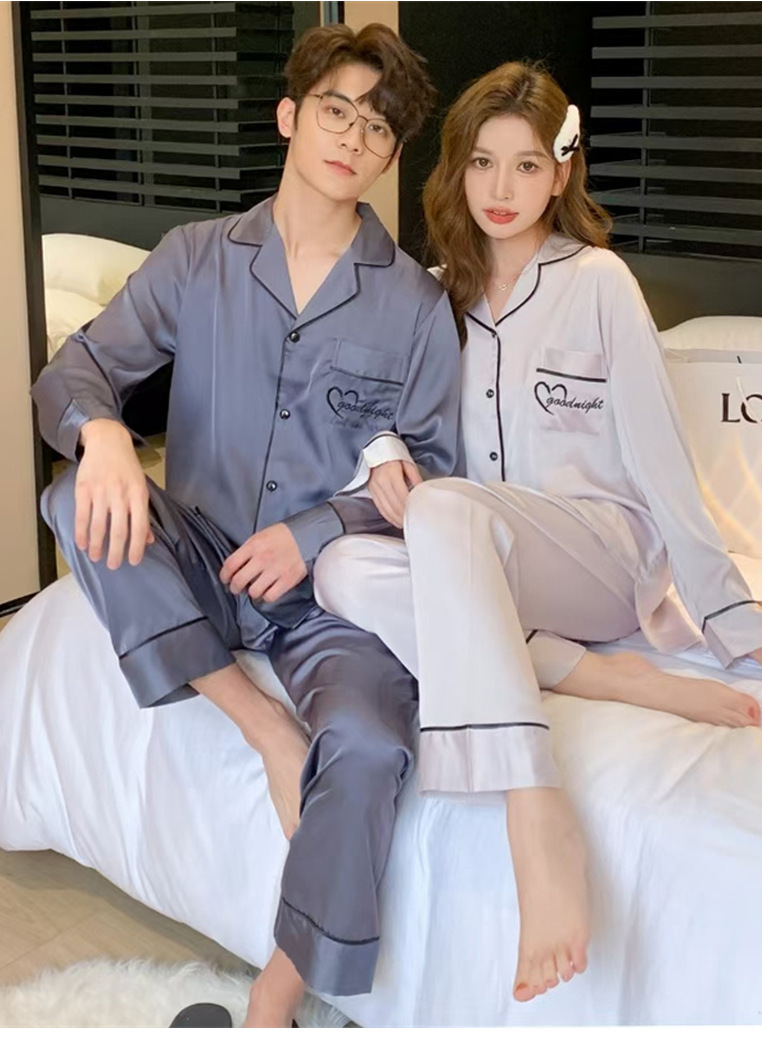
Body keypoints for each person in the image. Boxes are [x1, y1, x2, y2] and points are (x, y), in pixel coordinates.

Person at [313, 61, 762, 1006]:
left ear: (561, 172)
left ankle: (534, 810)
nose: (502, 189)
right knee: (338, 567)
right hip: (490, 564)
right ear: (457, 168)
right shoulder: (436, 298)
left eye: (527, 166)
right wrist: (383, 454)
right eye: (482, 163)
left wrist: (730, 617)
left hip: (605, 558)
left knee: (446, 510)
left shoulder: (599, 282)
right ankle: (588, 673)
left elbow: (662, 461)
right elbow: (371, 411)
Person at [31, 24, 463, 1028]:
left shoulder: (412, 305)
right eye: (335, 110)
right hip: (199, 555)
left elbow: (438, 472)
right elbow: (72, 371)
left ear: (391, 154)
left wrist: (313, 532)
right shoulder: (196, 258)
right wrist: (102, 432)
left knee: (368, 747)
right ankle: (258, 721)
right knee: (72, 497)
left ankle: (277, 1001)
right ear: (289, 115)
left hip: (331, 603)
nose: (352, 136)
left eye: (378, 126)